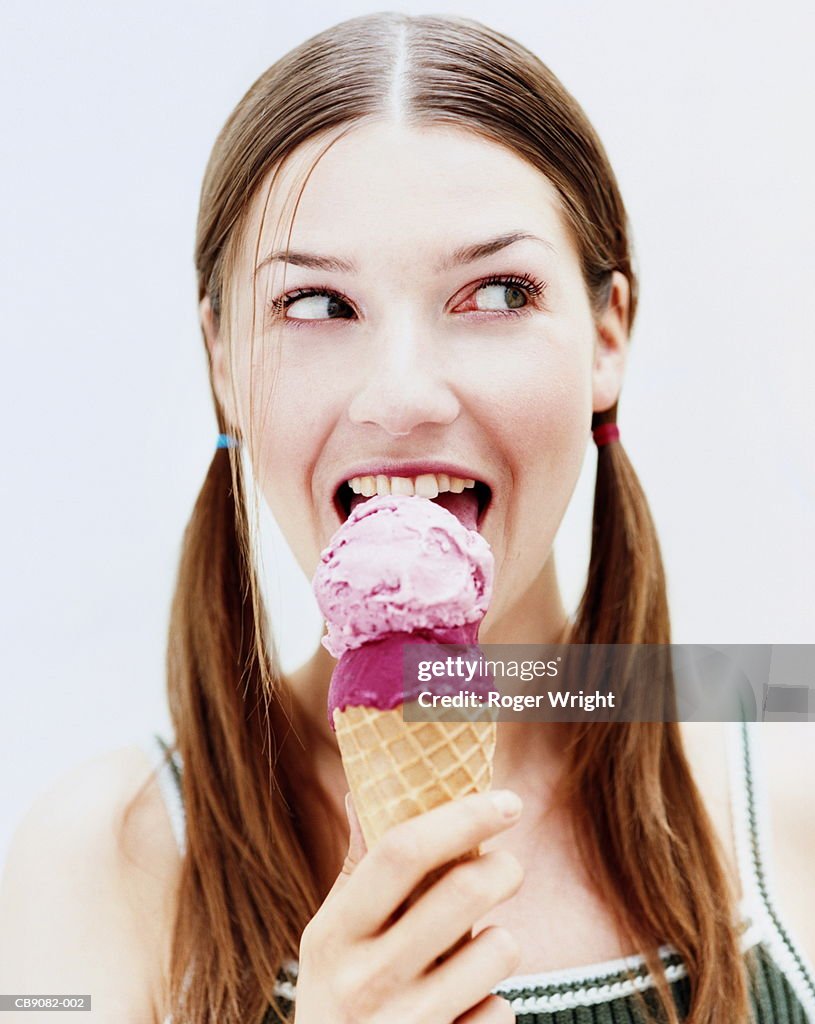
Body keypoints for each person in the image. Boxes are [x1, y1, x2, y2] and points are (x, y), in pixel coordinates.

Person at [1, 12, 813, 1024]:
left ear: (607, 335)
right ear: (222, 364)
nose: (400, 395)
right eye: (314, 305)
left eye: (495, 292)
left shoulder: (789, 798)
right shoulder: (97, 860)